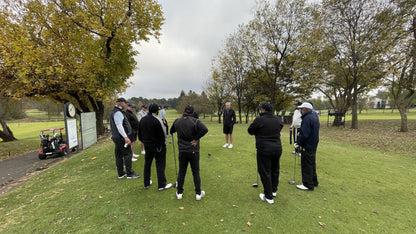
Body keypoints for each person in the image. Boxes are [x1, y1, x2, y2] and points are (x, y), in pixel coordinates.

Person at [170, 105, 208, 201]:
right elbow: (205, 129)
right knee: (195, 172)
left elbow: (171, 131)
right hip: (193, 150)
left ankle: (179, 193)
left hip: (182, 151)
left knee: (182, 172)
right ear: (192, 112)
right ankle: (198, 194)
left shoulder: (177, 121)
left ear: (184, 111)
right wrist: (196, 139)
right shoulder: (195, 121)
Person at [248, 102, 283, 204]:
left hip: (264, 149)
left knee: (264, 171)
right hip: (277, 148)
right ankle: (273, 190)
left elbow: (250, 130)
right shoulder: (276, 119)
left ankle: (268, 196)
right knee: (274, 169)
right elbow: (280, 127)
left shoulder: (260, 119)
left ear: (263, 110)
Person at [138, 103, 172, 191]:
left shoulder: (142, 119)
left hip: (147, 145)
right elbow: (162, 134)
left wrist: (145, 142)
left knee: (147, 164)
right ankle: (161, 185)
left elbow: (140, 134)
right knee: (160, 164)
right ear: (157, 111)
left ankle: (146, 183)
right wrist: (164, 144)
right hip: (158, 146)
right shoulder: (157, 120)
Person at [109, 98, 140, 179]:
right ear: (121, 104)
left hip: (116, 137)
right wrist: (125, 137)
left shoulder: (113, 111)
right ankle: (129, 173)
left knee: (118, 155)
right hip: (121, 137)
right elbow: (119, 126)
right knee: (128, 154)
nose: (125, 105)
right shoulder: (118, 112)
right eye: (125, 103)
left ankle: (121, 173)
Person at [295, 102, 320, 191]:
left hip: (308, 144)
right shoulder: (314, 116)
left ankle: (308, 184)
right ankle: (314, 181)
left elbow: (305, 134)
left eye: (302, 109)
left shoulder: (307, 118)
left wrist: (298, 142)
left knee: (306, 164)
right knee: (312, 163)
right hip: (313, 143)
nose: (301, 110)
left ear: (306, 109)